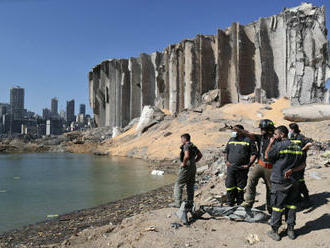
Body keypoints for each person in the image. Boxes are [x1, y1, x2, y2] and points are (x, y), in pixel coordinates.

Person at [265, 125, 305, 241]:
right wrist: (292, 170)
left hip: (280, 181)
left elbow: (267, 156)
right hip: (294, 181)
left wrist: (270, 143)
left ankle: (274, 231)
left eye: (275, 135)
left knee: (277, 206)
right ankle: (291, 230)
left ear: (282, 134)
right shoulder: (297, 147)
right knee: (292, 205)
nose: (274, 137)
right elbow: (303, 165)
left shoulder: (278, 146)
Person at [237, 119, 275, 213]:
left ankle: (270, 207)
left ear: (268, 129)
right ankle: (248, 202)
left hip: (271, 167)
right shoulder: (260, 137)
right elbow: (250, 134)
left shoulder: (276, 139)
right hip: (260, 165)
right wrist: (240, 130)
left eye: (263, 129)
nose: (261, 130)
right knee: (251, 181)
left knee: (270, 188)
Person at [224, 125, 257, 206]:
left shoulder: (248, 140)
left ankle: (239, 203)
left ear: (241, 131)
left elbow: (254, 154)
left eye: (235, 130)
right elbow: (226, 151)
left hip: (242, 168)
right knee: (229, 185)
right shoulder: (231, 140)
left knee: (240, 187)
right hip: (231, 167)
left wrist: (249, 165)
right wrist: (226, 161)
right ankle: (230, 203)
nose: (233, 132)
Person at [169, 133, 203, 208]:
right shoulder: (193, 146)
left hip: (187, 166)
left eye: (181, 139)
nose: (181, 140)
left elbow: (186, 156)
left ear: (184, 139)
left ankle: (177, 203)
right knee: (190, 184)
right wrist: (194, 161)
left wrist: (184, 163)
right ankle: (190, 202)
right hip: (193, 166)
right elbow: (200, 155)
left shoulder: (186, 146)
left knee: (178, 184)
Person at [288, 123, 313, 207]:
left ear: (293, 129)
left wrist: (303, 149)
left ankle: (307, 199)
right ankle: (298, 197)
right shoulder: (290, 138)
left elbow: (310, 143)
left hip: (300, 163)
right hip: (293, 162)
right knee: (294, 180)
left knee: (300, 181)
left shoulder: (301, 137)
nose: (289, 131)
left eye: (290, 129)